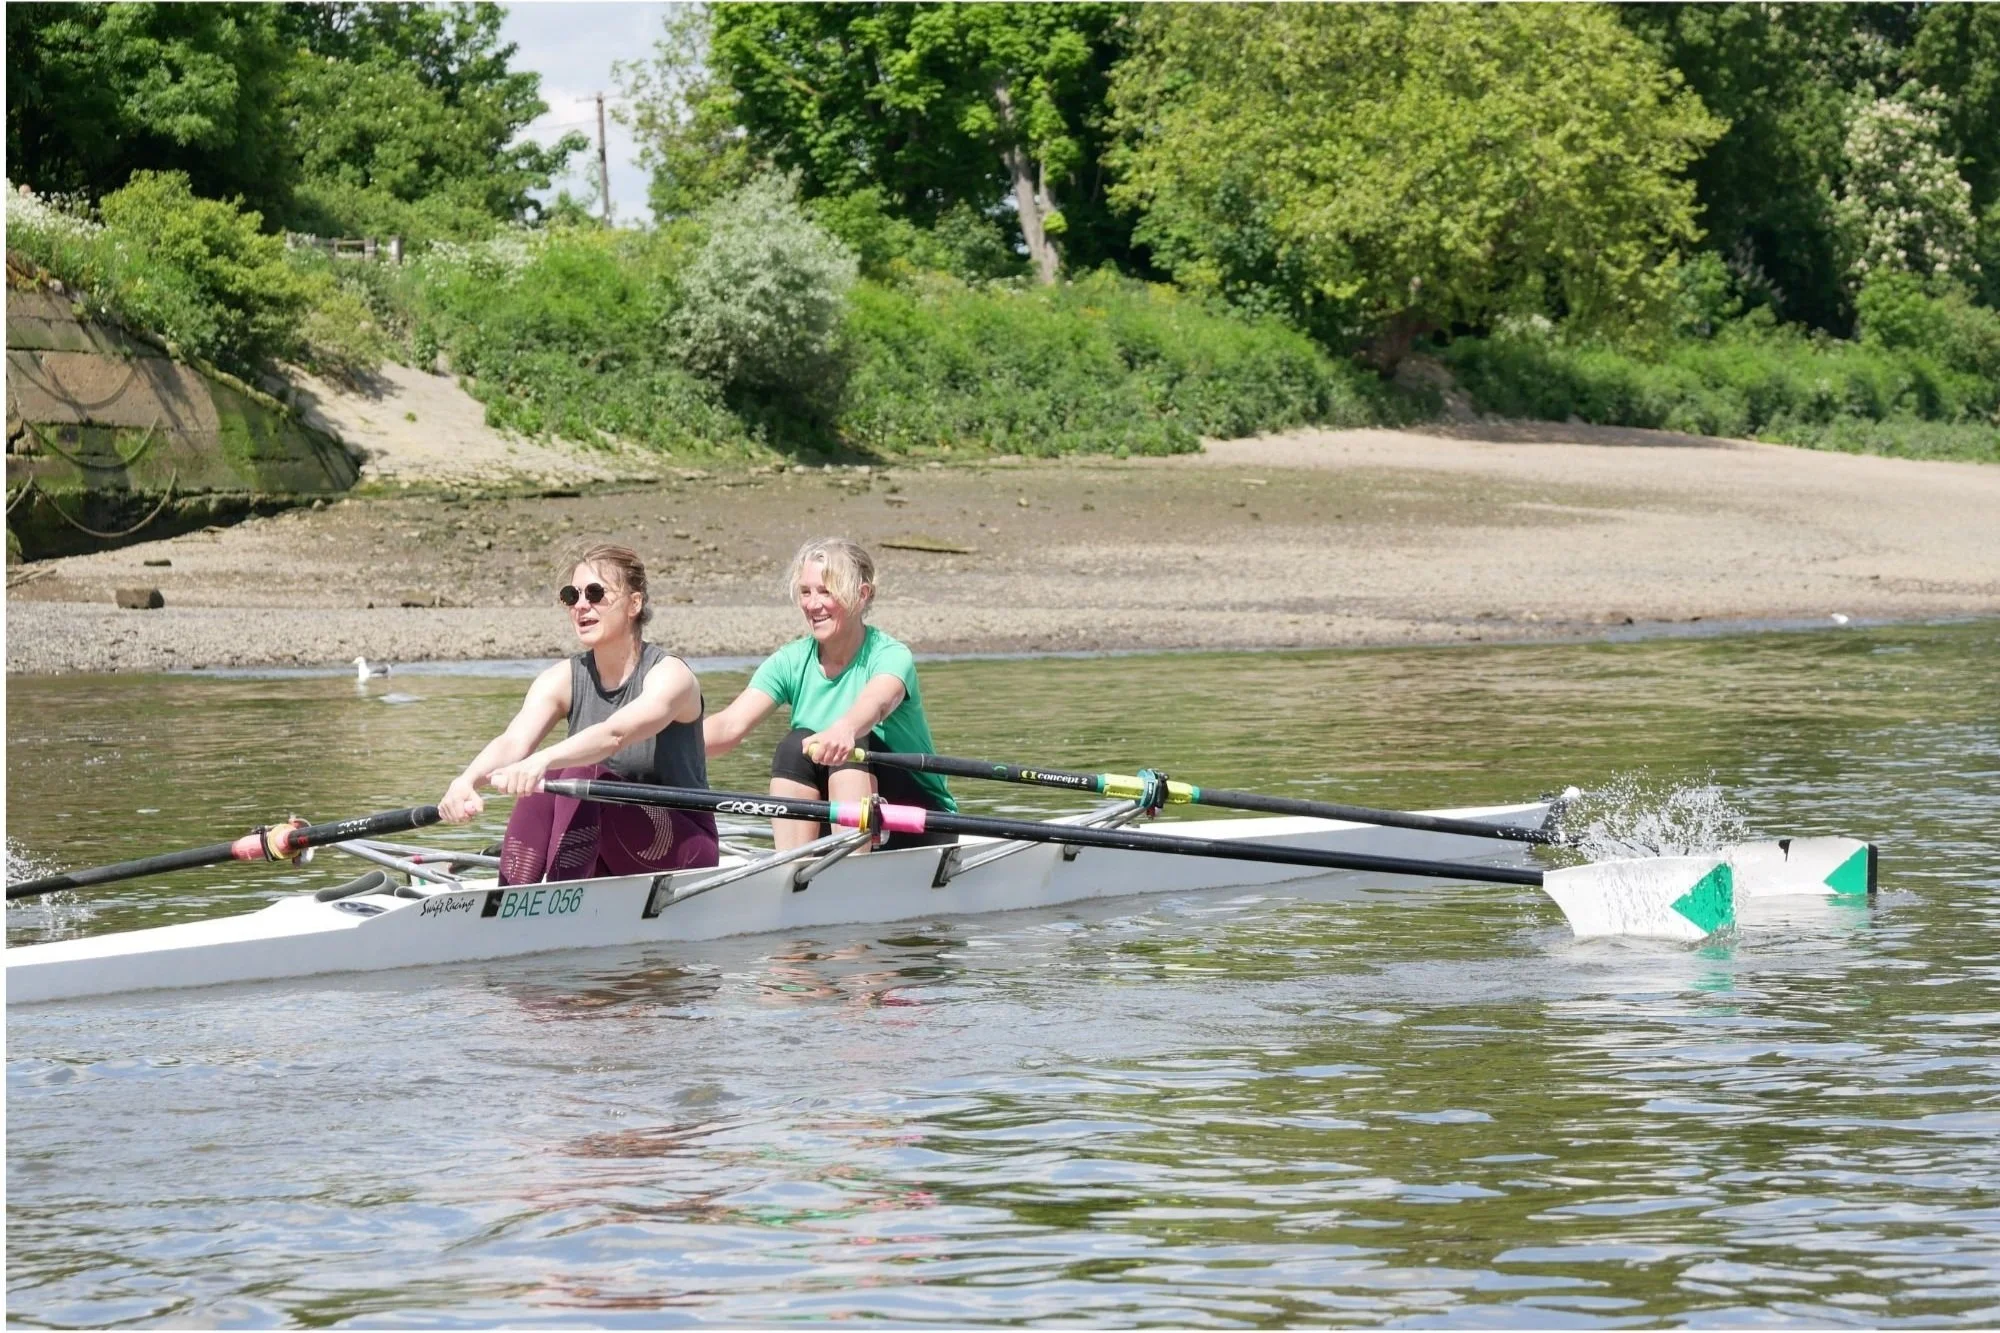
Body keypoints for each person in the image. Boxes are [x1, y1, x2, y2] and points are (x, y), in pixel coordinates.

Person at [438, 543, 718, 883]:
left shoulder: (670, 676)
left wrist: (541, 762)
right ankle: (508, 898)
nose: (582, 605)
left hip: (683, 850)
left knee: (573, 772)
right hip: (602, 847)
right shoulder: (561, 678)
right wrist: (465, 781)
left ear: (634, 603)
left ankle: (557, 902)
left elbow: (615, 734)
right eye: (573, 595)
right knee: (553, 779)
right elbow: (513, 741)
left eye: (596, 593)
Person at [704, 537, 956, 851]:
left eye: (826, 591)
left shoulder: (890, 655)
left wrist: (845, 729)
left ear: (862, 595)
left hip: (915, 822)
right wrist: (658, 747)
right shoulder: (791, 660)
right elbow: (729, 726)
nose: (812, 604)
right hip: (840, 816)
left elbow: (877, 702)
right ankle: (793, 866)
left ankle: (851, 866)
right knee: (795, 745)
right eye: (806, 592)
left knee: (849, 745)